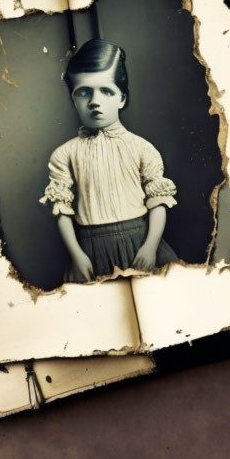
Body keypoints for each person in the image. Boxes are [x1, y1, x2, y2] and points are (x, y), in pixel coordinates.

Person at [40, 39, 179, 283]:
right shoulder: (64, 155)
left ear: (122, 98)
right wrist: (77, 256)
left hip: (141, 245)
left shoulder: (142, 149)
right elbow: (62, 212)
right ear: (73, 100)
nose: (95, 101)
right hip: (91, 252)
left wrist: (149, 247)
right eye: (83, 92)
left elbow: (158, 203)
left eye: (106, 91)